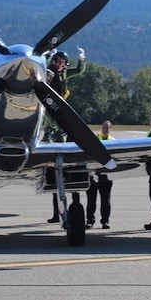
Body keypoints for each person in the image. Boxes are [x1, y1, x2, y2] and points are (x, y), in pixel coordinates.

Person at [46, 47, 86, 223]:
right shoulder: (50, 73)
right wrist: (48, 53)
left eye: (63, 62)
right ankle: (56, 213)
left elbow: (79, 70)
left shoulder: (63, 74)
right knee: (51, 133)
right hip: (51, 111)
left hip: (60, 111)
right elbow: (43, 70)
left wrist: (82, 58)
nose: (61, 64)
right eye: (59, 61)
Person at [86, 121, 114, 229]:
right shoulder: (95, 139)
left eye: (107, 128)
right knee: (91, 200)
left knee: (105, 200)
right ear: (100, 128)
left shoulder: (114, 141)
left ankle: (105, 221)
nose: (105, 129)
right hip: (94, 173)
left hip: (106, 175)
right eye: (104, 127)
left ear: (111, 129)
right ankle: (90, 221)